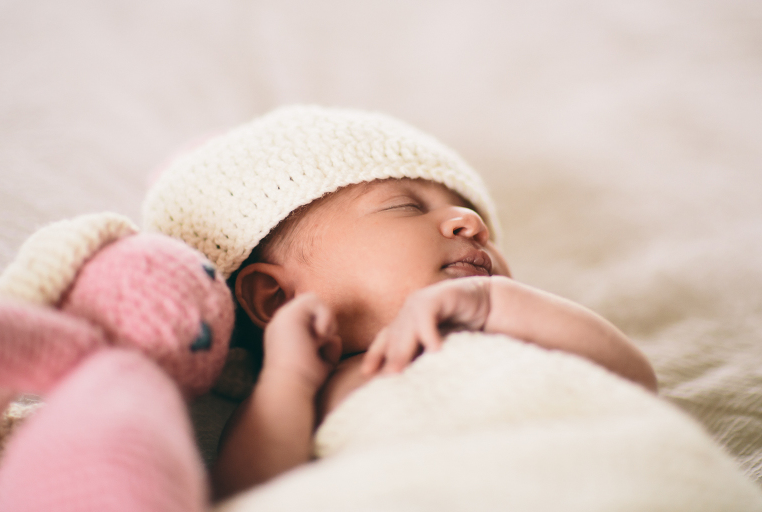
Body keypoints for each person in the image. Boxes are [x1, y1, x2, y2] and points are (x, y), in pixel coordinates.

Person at [142, 105, 657, 502]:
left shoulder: (514, 329)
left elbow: (634, 380)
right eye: (406, 205)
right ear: (275, 298)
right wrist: (288, 381)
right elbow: (249, 496)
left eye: (473, 213)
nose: (469, 223)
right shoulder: (308, 398)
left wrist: (490, 305)